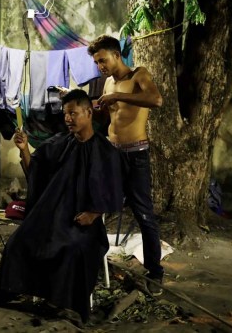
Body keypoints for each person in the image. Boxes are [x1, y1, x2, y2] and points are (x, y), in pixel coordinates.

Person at [0, 89, 124, 324]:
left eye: (73, 113)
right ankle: (15, 291)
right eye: (65, 114)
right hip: (51, 215)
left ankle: (70, 304)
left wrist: (93, 214)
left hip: (81, 223)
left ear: (88, 113)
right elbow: (36, 171)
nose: (67, 119)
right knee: (18, 242)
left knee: (73, 249)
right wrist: (24, 150)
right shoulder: (59, 143)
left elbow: (113, 192)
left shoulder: (105, 151)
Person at [87, 34, 165, 295]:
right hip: (113, 153)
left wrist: (120, 97)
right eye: (97, 63)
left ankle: (155, 274)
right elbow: (109, 114)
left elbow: (156, 100)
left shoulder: (138, 75)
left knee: (144, 214)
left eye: (103, 60)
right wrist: (92, 106)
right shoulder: (108, 82)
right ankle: (96, 262)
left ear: (116, 55)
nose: (101, 67)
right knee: (98, 205)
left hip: (135, 155)